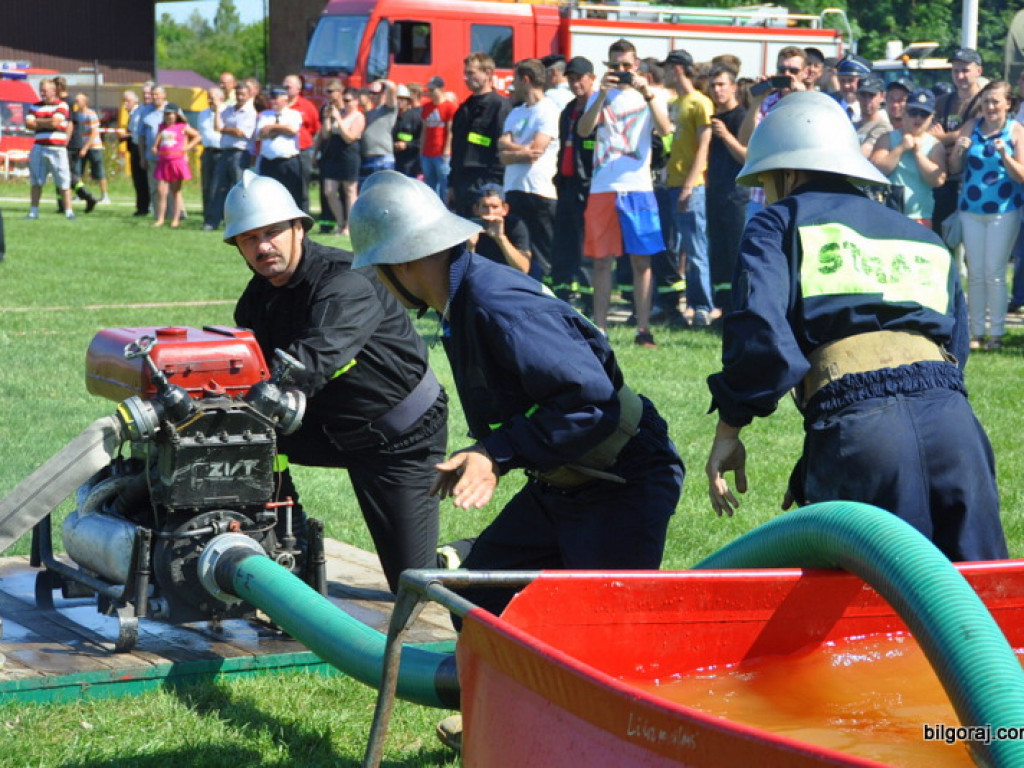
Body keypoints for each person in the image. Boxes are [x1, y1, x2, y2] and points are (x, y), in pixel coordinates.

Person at [350, 171, 683, 749]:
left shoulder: (496, 304)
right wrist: (483, 454)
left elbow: (590, 403)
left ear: (402, 264)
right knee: (478, 595)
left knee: (604, 647)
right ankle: (505, 718)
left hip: (621, 479)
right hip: (566, 481)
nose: (381, 281)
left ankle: (614, 745)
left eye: (379, 270)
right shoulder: (461, 299)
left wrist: (496, 454)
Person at [705, 91, 1007, 564]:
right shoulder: (920, 236)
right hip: (955, 426)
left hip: (860, 429)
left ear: (786, 171)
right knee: (979, 604)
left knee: (860, 617)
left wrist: (731, 426)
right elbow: (953, 347)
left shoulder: (778, 223)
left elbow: (760, 335)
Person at [224, 171, 449, 593]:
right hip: (331, 427)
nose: (262, 246)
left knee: (417, 581)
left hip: (399, 437)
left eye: (272, 232)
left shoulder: (346, 279)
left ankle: (474, 554)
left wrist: (259, 398)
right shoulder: (256, 301)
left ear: (298, 228)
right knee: (242, 439)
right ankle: (289, 547)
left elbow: (313, 359)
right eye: (249, 239)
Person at [577, 38, 673, 345]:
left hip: (638, 187)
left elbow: (666, 128)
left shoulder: (652, 94)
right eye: (615, 65)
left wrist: (646, 92)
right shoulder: (599, 95)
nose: (621, 71)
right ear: (607, 66)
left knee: (641, 261)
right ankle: (600, 329)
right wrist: (603, 92)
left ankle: (642, 329)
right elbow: (583, 130)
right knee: (602, 261)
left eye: (626, 65)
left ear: (637, 65)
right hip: (603, 187)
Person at [948, 80, 1024, 351]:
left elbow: (1022, 176)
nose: (990, 107)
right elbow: (954, 167)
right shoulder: (971, 127)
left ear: (1008, 103)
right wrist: (958, 151)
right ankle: (976, 332)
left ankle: (997, 333)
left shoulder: (1016, 131)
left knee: (994, 272)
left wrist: (1006, 156)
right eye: (986, 101)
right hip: (971, 209)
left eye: (995, 101)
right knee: (976, 274)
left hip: (1004, 210)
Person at [662, 48, 714, 326]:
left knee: (695, 248)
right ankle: (685, 304)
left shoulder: (700, 103)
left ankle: (702, 305)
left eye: (668, 68)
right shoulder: (676, 102)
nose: (665, 74)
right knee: (677, 248)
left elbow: (703, 148)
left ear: (678, 68)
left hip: (691, 185)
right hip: (672, 182)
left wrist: (689, 186)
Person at [499, 58, 560, 281]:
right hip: (514, 188)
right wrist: (520, 152)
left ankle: (548, 294)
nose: (513, 84)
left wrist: (512, 151)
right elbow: (501, 149)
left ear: (526, 80)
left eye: (515, 79)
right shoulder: (517, 112)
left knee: (543, 251)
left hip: (540, 190)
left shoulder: (548, 110)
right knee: (520, 247)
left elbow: (536, 151)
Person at [550, 56, 597, 305]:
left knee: (585, 242)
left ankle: (588, 295)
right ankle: (565, 290)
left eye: (579, 78)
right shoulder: (569, 110)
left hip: (588, 185)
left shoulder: (598, 108)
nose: (575, 83)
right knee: (565, 241)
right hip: (567, 183)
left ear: (592, 78)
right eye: (570, 79)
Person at [870, 88, 946, 228]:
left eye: (924, 114)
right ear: (904, 113)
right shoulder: (887, 139)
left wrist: (918, 154)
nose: (918, 118)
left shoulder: (935, 145)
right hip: (889, 213)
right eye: (913, 113)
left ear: (931, 118)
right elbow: (875, 170)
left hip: (920, 217)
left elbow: (938, 180)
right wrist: (900, 148)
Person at [705, 64, 748, 314]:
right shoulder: (711, 117)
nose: (717, 90)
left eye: (722, 84)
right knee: (718, 253)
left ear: (733, 87)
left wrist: (726, 136)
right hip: (715, 193)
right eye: (713, 85)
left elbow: (746, 156)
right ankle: (722, 306)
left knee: (735, 252)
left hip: (737, 195)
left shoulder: (741, 116)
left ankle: (738, 307)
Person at [930, 47, 986, 237]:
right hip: (944, 179)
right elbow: (927, 132)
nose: (960, 76)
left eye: (965, 70)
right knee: (943, 236)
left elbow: (972, 131)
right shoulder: (942, 101)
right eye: (955, 70)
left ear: (979, 71)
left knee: (973, 244)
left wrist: (944, 137)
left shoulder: (985, 102)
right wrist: (954, 136)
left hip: (974, 179)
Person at [449, 52, 511, 216]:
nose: (466, 78)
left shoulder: (499, 106)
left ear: (488, 73)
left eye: (471, 73)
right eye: (465, 73)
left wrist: (494, 187)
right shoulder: (464, 108)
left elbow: (501, 150)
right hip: (462, 182)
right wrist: (451, 184)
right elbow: (456, 149)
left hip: (486, 182)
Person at [208, 80, 257, 230]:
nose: (240, 97)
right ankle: (212, 221)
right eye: (238, 94)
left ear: (249, 95)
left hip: (240, 153)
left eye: (243, 94)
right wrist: (217, 111)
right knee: (217, 186)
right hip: (226, 151)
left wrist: (225, 129)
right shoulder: (228, 110)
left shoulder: (251, 112)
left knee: (239, 187)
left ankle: (241, 220)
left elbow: (241, 133)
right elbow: (217, 127)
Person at [317, 82, 364, 236]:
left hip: (349, 156)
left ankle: (350, 227)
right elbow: (325, 135)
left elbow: (349, 137)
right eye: (345, 100)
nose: (346, 103)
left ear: (357, 101)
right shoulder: (340, 113)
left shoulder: (358, 117)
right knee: (329, 191)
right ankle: (340, 222)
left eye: (349, 100)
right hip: (334, 155)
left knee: (350, 191)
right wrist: (327, 119)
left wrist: (339, 118)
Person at [25, 79, 74, 220]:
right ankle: (33, 211)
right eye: (41, 91)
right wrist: (46, 122)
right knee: (36, 181)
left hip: (57, 148)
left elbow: (55, 122)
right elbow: (28, 124)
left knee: (64, 181)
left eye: (45, 91)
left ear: (53, 91)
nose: (43, 94)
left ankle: (69, 211)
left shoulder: (62, 105)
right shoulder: (34, 106)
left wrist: (38, 121)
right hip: (39, 147)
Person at [151, 103, 200, 228]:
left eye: (171, 114)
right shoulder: (162, 127)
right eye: (166, 114)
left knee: (176, 191)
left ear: (176, 115)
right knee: (162, 191)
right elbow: (156, 143)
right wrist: (155, 148)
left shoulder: (182, 126)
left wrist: (187, 147)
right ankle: (160, 218)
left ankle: (175, 219)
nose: (168, 117)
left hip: (176, 161)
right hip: (164, 161)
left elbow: (197, 136)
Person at [255, 86, 304, 207]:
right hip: (268, 160)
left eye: (275, 99)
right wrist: (282, 128)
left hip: (288, 160)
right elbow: (261, 133)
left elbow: (292, 130)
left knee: (291, 192)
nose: (272, 101)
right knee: (267, 192)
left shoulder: (294, 114)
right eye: (271, 99)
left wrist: (272, 127)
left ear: (284, 99)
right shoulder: (265, 115)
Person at [466, 183, 531, 272]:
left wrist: (501, 238)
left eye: (495, 207)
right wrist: (470, 246)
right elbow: (463, 272)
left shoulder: (514, 225)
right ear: (476, 209)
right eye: (485, 207)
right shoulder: (467, 227)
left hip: (508, 276)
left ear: (505, 209)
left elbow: (523, 269)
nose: (490, 212)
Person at [285, 74, 321, 213]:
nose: (286, 89)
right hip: (283, 154)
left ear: (298, 88)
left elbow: (314, 127)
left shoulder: (307, 106)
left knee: (302, 186)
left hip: (302, 150)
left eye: (289, 86)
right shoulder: (278, 105)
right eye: (284, 86)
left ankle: (303, 216)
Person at [419, 76, 455, 200]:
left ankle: (446, 210)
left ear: (441, 89)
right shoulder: (426, 107)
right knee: (429, 185)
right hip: (427, 153)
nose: (430, 92)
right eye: (429, 90)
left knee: (444, 184)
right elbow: (424, 130)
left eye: (432, 90)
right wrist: (421, 149)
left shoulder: (449, 107)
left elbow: (450, 131)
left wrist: (446, 150)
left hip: (441, 154)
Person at [72, 93, 109, 204]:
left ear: (85, 102)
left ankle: (104, 196)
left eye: (78, 100)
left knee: (99, 172)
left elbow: (94, 133)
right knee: (77, 172)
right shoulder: (77, 115)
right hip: (81, 146)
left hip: (93, 147)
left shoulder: (91, 114)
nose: (76, 103)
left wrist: (86, 147)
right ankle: (80, 194)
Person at [360, 80, 398, 184]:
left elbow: (392, 87)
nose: (372, 96)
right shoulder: (369, 113)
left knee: (385, 188)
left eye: (375, 93)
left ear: (383, 94)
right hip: (367, 156)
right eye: (370, 93)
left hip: (383, 156)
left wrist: (380, 81)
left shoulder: (388, 109)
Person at [197, 87, 224, 229]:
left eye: (212, 97)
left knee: (218, 187)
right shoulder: (203, 114)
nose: (209, 100)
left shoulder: (227, 112)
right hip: (207, 152)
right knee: (207, 186)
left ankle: (220, 218)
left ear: (221, 98)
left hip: (222, 153)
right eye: (208, 97)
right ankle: (208, 219)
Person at [124, 88, 151, 216]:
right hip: (136, 146)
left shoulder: (157, 110)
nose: (146, 95)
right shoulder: (137, 111)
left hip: (150, 147)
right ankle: (142, 207)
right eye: (144, 93)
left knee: (151, 178)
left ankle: (155, 206)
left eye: (149, 93)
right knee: (138, 178)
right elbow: (132, 130)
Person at [854, 77, 891, 157]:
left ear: (882, 96)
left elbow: (863, 153)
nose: (867, 101)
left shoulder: (883, 127)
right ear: (857, 95)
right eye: (863, 95)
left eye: (871, 95)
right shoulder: (852, 125)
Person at [392, 83, 423, 178]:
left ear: (408, 101)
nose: (399, 102)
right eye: (397, 98)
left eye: (402, 99)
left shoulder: (415, 118)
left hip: (409, 162)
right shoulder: (391, 117)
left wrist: (407, 145)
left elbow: (421, 140)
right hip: (393, 160)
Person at [833, 53, 872, 120]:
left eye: (851, 80)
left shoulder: (871, 111)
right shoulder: (832, 107)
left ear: (863, 81)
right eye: (842, 80)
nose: (846, 86)